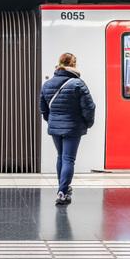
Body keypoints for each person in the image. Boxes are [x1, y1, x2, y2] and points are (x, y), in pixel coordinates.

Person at [40, 52, 95, 206]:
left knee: (61, 157)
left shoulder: (47, 84)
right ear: (74, 65)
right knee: (68, 159)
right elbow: (89, 107)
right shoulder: (78, 84)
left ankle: (62, 188)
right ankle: (63, 192)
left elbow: (43, 108)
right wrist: (88, 123)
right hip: (73, 127)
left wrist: (52, 120)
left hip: (55, 126)